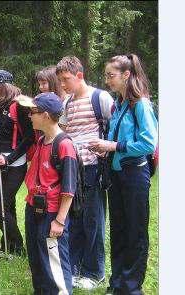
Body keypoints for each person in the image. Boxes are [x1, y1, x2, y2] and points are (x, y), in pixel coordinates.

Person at [88, 54, 158, 295]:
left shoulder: (141, 104)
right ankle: (117, 283)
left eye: (111, 75)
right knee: (118, 230)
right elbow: (116, 138)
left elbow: (149, 143)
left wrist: (114, 146)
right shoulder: (118, 105)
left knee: (135, 231)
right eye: (106, 75)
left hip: (135, 175)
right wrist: (103, 146)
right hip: (117, 175)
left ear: (126, 75)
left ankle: (131, 287)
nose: (107, 80)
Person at [56, 55, 114, 289]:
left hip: (94, 168)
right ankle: (77, 267)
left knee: (94, 219)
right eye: (60, 80)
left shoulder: (100, 97)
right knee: (76, 218)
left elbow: (113, 126)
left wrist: (106, 149)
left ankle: (95, 271)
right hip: (74, 169)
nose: (63, 84)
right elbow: (64, 128)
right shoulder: (67, 103)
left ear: (79, 75)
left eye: (66, 79)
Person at [18, 92, 78, 295]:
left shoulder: (64, 145)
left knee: (55, 262)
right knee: (37, 259)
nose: (30, 116)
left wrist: (60, 221)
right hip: (33, 208)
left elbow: (69, 189)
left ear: (45, 115)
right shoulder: (42, 140)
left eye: (33, 112)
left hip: (52, 214)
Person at [0, 69, 35, 256]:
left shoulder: (19, 105)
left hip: (14, 165)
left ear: (4, 85)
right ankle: (7, 245)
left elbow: (29, 138)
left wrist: (8, 158)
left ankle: (19, 248)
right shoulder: (0, 105)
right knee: (8, 205)